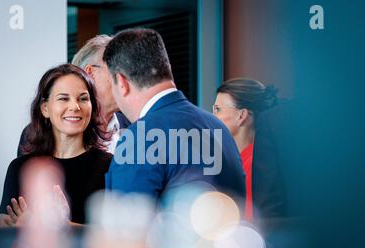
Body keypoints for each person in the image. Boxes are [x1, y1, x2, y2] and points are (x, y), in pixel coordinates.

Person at [103, 28, 245, 205]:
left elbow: (126, 228)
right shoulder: (217, 127)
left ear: (122, 83)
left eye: (111, 84)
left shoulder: (139, 137)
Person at [0, 64, 112, 227]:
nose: (75, 106)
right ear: (45, 108)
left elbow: (116, 238)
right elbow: (2, 239)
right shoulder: (19, 169)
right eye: (63, 98)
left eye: (83, 98)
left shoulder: (110, 166)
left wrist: (63, 226)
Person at [17, 35, 130, 157]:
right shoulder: (38, 134)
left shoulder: (136, 127)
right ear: (90, 73)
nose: (127, 80)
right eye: (119, 70)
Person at [213, 78, 285, 220]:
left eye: (217, 110)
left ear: (242, 115)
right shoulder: (236, 163)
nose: (211, 116)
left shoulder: (252, 167)